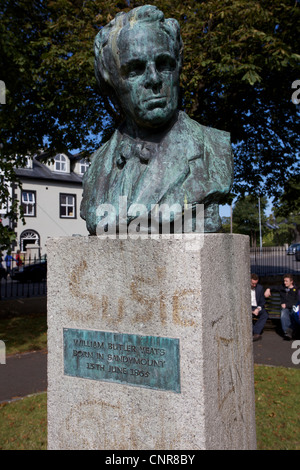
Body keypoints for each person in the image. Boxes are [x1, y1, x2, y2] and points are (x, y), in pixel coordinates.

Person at [80, 5, 233, 236]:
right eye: (135, 70)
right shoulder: (97, 164)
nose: (154, 79)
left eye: (164, 64)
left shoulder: (214, 147)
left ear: (178, 65)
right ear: (109, 79)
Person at [265, 274, 299, 340]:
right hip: (285, 309)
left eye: (286, 281)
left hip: (294, 308)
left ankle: (291, 331)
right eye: (284, 281)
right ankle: (287, 332)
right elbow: (273, 287)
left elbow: (297, 301)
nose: (284, 283)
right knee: (283, 313)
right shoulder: (282, 287)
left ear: (291, 281)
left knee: (294, 315)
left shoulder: (296, 289)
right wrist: (268, 289)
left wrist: (287, 305)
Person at [251, 273, 269, 341]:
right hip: (249, 307)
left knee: (264, 314)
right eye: (253, 283)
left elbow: (262, 301)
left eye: (256, 283)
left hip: (256, 307)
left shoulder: (259, 288)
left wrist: (258, 309)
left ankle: (256, 332)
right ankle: (254, 332)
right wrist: (251, 311)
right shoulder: (244, 288)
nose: (254, 285)